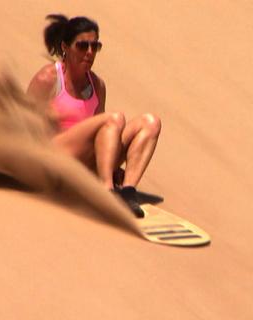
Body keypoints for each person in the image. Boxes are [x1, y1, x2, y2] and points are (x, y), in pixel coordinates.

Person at [27, 14, 161, 218]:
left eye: (94, 46)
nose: (89, 52)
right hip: (55, 161)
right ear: (65, 47)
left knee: (150, 123)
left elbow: (105, 135)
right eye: (82, 46)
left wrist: (115, 165)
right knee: (113, 118)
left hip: (88, 165)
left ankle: (127, 192)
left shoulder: (97, 85)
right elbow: (22, 123)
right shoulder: (49, 78)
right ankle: (105, 191)